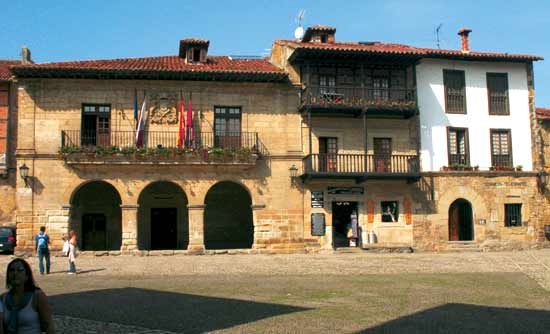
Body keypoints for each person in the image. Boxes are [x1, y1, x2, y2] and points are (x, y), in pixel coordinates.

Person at [0, 258, 55, 333]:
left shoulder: (37, 296)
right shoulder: (3, 298)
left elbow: (48, 325)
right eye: (11, 270)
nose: (15, 273)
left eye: (20, 270)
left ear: (27, 276)